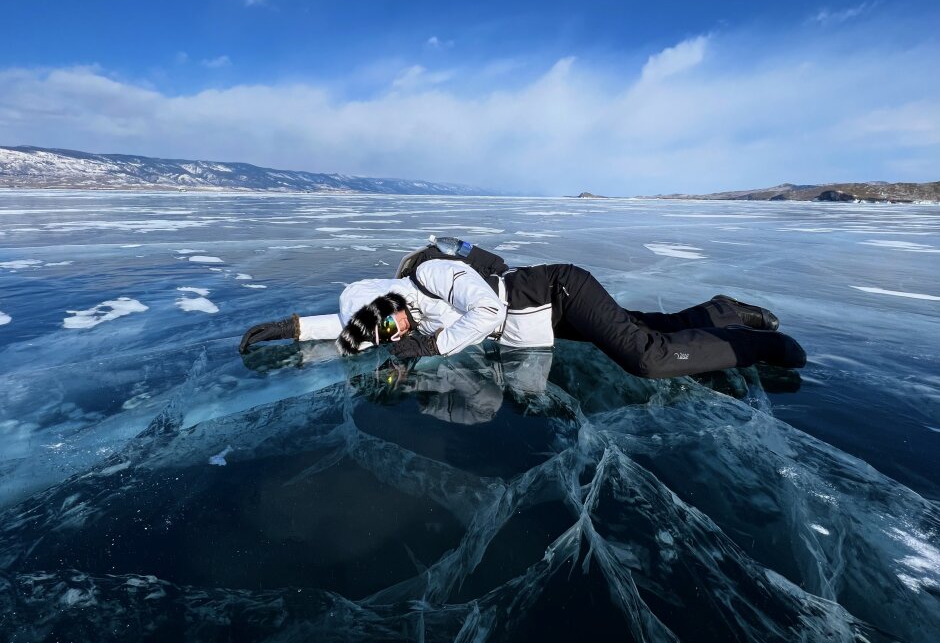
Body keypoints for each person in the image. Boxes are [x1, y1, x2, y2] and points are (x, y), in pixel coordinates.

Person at [238, 256, 806, 380]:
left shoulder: (431, 274)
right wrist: (291, 328)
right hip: (549, 318)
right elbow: (351, 331)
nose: (395, 335)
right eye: (386, 335)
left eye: (389, 326)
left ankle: (755, 346)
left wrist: (430, 348)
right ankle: (724, 312)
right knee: (652, 325)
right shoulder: (387, 316)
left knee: (647, 359)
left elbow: (487, 312)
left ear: (388, 302)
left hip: (558, 290)